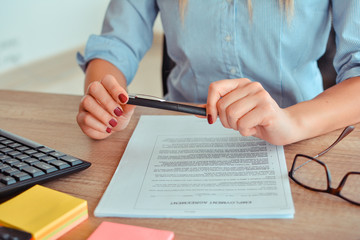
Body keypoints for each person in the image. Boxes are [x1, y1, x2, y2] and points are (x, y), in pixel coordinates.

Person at [76, 0, 360, 145]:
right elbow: (115, 44)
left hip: (298, 139)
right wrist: (103, 100)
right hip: (179, 137)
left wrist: (292, 121)